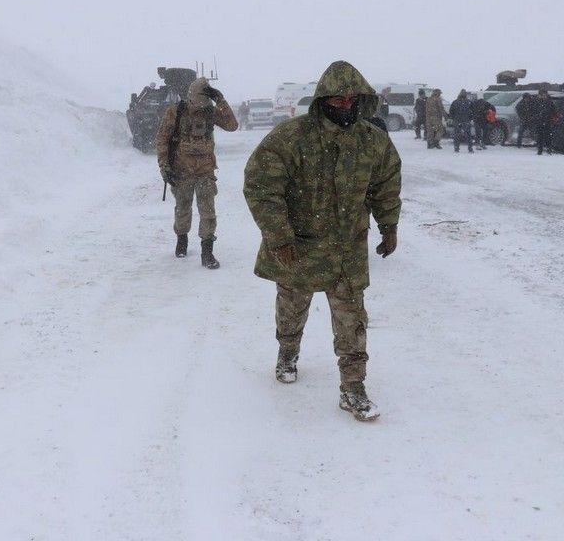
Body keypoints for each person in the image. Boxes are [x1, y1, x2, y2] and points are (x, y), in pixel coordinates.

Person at [242, 60, 402, 422]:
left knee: (352, 318)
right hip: (300, 247)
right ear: (322, 100)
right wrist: (279, 235)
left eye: (352, 100)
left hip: (347, 250)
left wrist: (388, 225)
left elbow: (386, 184)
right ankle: (287, 352)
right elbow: (262, 186)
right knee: (292, 308)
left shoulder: (373, 141)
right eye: (338, 100)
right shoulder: (291, 138)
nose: (345, 106)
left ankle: (353, 387)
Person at [156, 77, 238, 268]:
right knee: (182, 208)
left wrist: (221, 100)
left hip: (205, 170)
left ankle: (207, 251)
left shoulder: (210, 111)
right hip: (181, 170)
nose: (199, 109)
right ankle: (182, 238)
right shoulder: (175, 112)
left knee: (208, 211)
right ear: (191, 98)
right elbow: (162, 139)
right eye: (197, 104)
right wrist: (164, 167)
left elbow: (232, 126)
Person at [529, 86, 557, 155]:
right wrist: (535, 117)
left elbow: (554, 111)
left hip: (547, 121)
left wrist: (550, 116)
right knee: (539, 137)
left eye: (544, 94)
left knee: (548, 136)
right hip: (539, 122)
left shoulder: (549, 102)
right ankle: (540, 150)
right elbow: (532, 111)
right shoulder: (536, 102)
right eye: (541, 95)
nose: (543, 96)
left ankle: (549, 149)